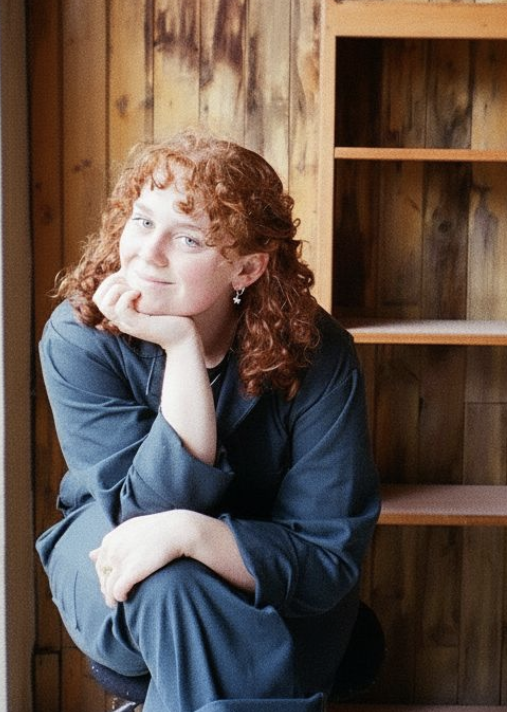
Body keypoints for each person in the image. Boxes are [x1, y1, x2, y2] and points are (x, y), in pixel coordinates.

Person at [35, 130, 380, 711]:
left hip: (274, 573)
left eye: (188, 237)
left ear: (246, 269)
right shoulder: (79, 337)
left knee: (185, 593)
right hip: (110, 549)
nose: (149, 252)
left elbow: (327, 552)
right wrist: (181, 349)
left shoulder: (320, 352)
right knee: (172, 584)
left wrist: (192, 535)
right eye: (142, 222)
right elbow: (140, 517)